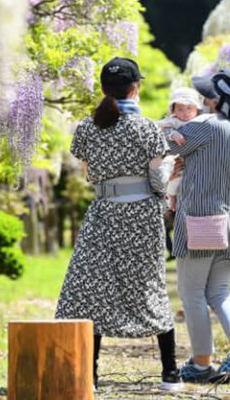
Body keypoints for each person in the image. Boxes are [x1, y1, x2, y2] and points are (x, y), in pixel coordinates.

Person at [55, 57, 183, 392]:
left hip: (104, 215)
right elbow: (157, 181)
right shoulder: (146, 129)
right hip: (142, 218)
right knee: (149, 286)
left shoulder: (86, 128)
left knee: (91, 290)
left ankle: (89, 376)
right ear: (135, 88)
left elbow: (90, 177)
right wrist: (171, 165)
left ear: (102, 89)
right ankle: (170, 373)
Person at [169, 68, 230, 385]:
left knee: (191, 292)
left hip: (202, 222)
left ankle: (201, 362)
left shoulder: (206, 126)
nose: (204, 98)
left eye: (208, 94)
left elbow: (164, 145)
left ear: (217, 99)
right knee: (219, 290)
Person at [155, 86, 205, 211]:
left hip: (193, 159)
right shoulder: (174, 121)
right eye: (180, 109)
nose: (185, 112)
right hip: (176, 157)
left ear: (197, 109)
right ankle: (171, 198)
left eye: (189, 108)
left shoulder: (201, 121)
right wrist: (172, 134)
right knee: (174, 177)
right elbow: (160, 127)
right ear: (173, 110)